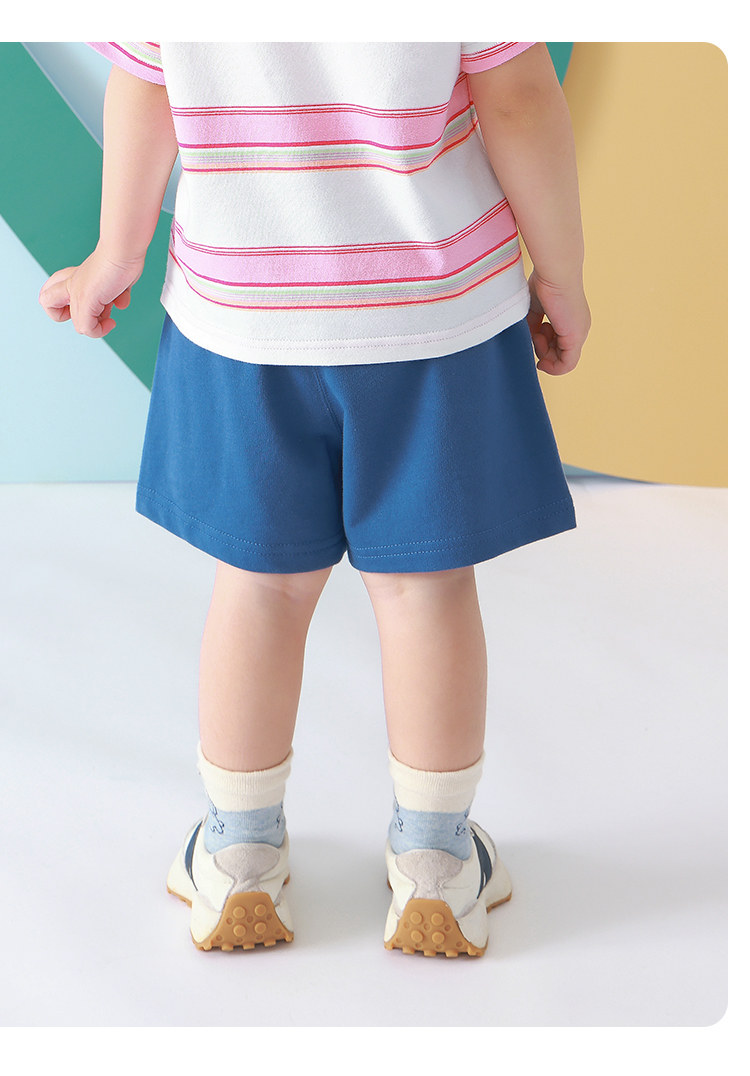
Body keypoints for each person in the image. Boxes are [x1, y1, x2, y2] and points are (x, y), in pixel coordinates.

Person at [39, 41, 590, 957]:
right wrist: (561, 276)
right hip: (430, 311)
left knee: (259, 587)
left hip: (243, 315)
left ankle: (240, 854)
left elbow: (148, 87)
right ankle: (436, 863)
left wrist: (115, 253)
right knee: (424, 589)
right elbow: (520, 100)